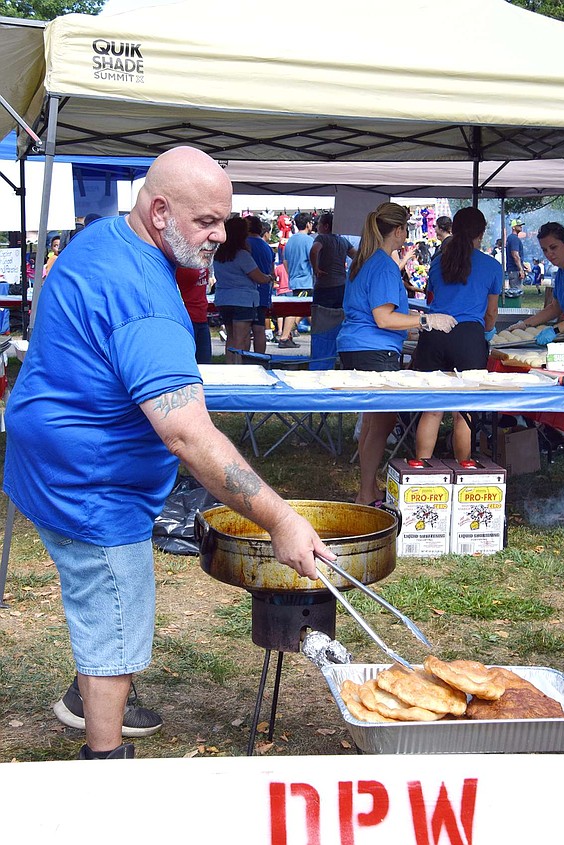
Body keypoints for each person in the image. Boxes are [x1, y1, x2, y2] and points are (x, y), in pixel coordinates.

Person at [3, 146, 331, 761]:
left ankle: (87, 694)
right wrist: (283, 520)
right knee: (116, 608)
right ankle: (105, 759)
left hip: (43, 455)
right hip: (87, 483)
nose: (219, 236)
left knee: (104, 602)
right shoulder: (146, 298)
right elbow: (187, 435)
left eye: (224, 220)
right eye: (205, 222)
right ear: (159, 212)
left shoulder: (102, 237)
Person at [336, 202, 456, 506]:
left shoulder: (363, 261)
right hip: (374, 350)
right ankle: (366, 492)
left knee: (372, 421)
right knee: (382, 422)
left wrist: (409, 327)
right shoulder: (384, 266)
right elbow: (383, 318)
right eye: (407, 229)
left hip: (355, 346)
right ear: (399, 231)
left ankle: (368, 488)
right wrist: (427, 320)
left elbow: (374, 314)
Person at [414, 207, 502, 462]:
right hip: (468, 336)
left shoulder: (438, 261)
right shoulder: (491, 266)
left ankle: (421, 469)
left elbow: (431, 297)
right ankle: (464, 468)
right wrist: (488, 333)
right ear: (481, 232)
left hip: (435, 332)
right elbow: (491, 313)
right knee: (464, 411)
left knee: (432, 409)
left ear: (453, 229)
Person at [508, 221, 564, 345]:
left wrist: (556, 330)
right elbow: (555, 307)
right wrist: (524, 324)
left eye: (553, 247)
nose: (548, 254)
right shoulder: (562, 271)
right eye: (544, 250)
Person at [213, 215, 273, 363]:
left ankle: (229, 366)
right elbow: (257, 276)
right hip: (243, 300)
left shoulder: (219, 255)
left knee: (231, 337)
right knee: (241, 338)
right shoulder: (242, 255)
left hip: (223, 299)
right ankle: (240, 370)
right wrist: (269, 278)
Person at [280, 212, 314, 348]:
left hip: (294, 280)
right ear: (308, 224)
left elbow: (285, 262)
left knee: (304, 310)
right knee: (296, 310)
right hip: (305, 280)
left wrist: (292, 274)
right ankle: (284, 337)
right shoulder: (309, 241)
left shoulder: (290, 241)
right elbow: (313, 260)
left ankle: (288, 334)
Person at [309, 212, 356, 309]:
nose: (317, 227)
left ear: (326, 226)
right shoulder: (343, 241)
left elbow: (314, 250)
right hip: (341, 286)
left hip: (324, 286)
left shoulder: (322, 238)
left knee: (321, 318)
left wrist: (315, 268)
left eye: (319, 224)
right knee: (338, 317)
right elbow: (356, 256)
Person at [246, 215, 275, 354]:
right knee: (259, 328)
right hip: (264, 291)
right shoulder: (267, 247)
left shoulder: (245, 245)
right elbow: (272, 271)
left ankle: (243, 359)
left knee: (244, 329)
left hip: (248, 291)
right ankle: (259, 359)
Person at [175, 266, 213, 363]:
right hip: (188, 317)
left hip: (201, 316)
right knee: (188, 359)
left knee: (204, 360)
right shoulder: (182, 265)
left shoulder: (202, 261)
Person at [505, 218, 526, 293]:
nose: (521, 226)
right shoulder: (514, 238)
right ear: (513, 227)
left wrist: (523, 265)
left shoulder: (511, 238)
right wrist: (521, 269)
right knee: (516, 293)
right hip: (515, 270)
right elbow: (515, 255)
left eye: (521, 225)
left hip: (512, 270)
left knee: (515, 291)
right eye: (519, 225)